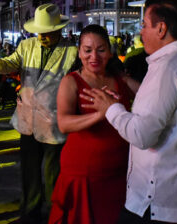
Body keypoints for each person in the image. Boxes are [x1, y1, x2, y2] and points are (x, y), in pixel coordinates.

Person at [81, 0, 177, 223]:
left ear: (161, 29)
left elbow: (143, 135)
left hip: (162, 199)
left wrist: (111, 108)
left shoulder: (169, 68)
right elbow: (164, 105)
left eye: (144, 25)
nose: (140, 32)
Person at [0, 4, 78, 223]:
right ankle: (30, 211)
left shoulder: (72, 51)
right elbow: (8, 65)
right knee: (29, 172)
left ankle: (55, 213)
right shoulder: (26, 45)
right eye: (39, 31)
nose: (42, 36)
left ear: (58, 30)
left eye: (46, 32)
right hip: (28, 120)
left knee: (53, 172)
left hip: (55, 121)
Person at [48, 25, 138, 224]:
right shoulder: (71, 82)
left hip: (120, 170)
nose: (94, 56)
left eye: (101, 49)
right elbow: (64, 123)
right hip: (84, 172)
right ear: (79, 52)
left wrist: (123, 78)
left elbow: (149, 98)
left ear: (110, 51)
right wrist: (102, 113)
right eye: (87, 50)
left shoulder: (119, 79)